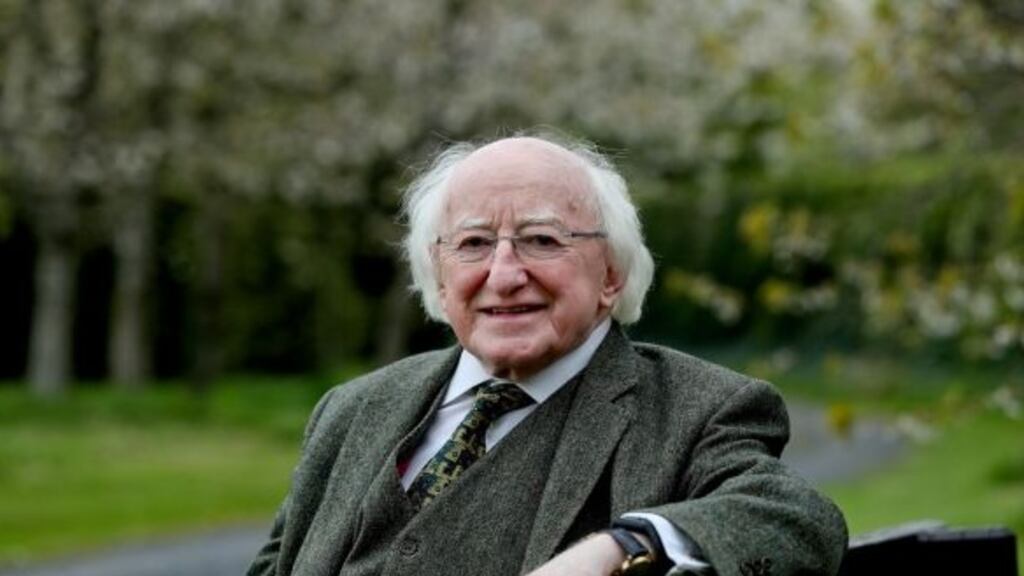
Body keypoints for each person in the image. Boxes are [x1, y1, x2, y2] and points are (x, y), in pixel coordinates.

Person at [247, 134, 847, 576]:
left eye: (541, 240)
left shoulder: (702, 410)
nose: (504, 275)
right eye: (475, 243)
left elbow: (799, 520)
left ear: (611, 274)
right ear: (437, 271)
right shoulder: (350, 409)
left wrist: (624, 547)